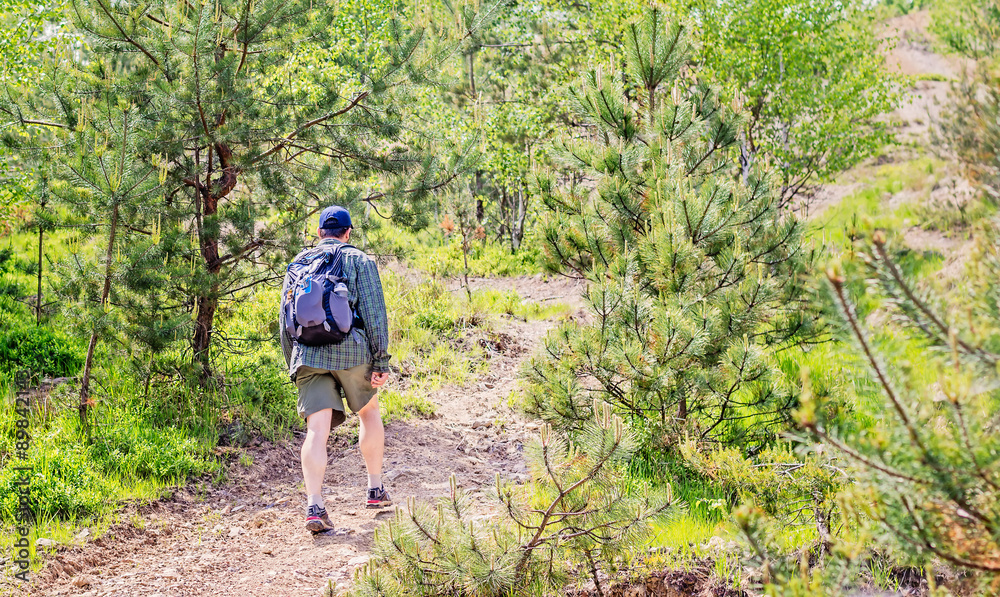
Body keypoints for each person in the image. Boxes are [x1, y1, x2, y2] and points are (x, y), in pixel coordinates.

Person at [279, 205, 393, 534]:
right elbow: (374, 314)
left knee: (317, 431)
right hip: (352, 352)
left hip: (307, 354)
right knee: (369, 412)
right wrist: (381, 360)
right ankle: (375, 490)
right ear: (348, 233)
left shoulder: (298, 264)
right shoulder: (360, 260)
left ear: (318, 234)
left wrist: (294, 363)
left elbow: (285, 321)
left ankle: (314, 505)